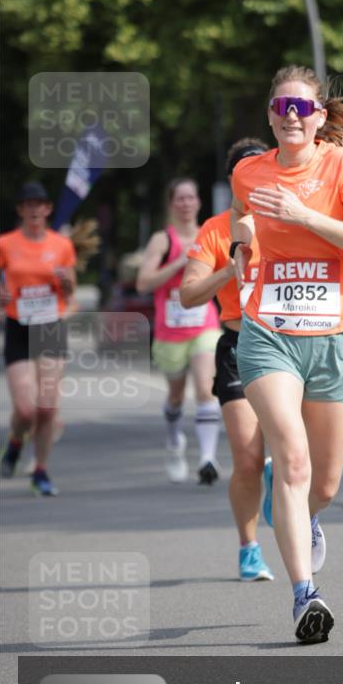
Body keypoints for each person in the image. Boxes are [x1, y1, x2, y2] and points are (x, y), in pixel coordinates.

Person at [230, 66, 343, 643]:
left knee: (322, 485)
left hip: (336, 336)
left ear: (319, 116)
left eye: (303, 108)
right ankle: (306, 598)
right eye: (282, 106)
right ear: (270, 114)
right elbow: (246, 216)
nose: (291, 116)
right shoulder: (248, 171)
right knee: (293, 464)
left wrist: (304, 218)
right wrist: (240, 242)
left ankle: (304, 511)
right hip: (269, 334)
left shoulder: (341, 166)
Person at [180, 138, 275, 583]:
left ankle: (286, 489)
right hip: (238, 347)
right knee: (248, 458)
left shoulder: (288, 218)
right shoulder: (216, 230)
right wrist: (228, 268)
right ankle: (249, 548)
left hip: (291, 346)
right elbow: (188, 294)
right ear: (235, 179)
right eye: (244, 171)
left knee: (296, 456)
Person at [136, 179, 221, 485]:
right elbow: (143, 283)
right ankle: (174, 443)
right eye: (180, 199)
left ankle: (208, 459)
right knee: (174, 396)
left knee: (205, 389)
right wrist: (178, 264)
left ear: (199, 202)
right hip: (169, 331)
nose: (186, 204)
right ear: (172, 204)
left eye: (191, 198)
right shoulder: (163, 240)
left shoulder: (209, 234)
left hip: (204, 324)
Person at [0, 182, 77, 496]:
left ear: (47, 209)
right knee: (26, 409)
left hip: (50, 326)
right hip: (19, 326)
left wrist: (65, 282)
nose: (34, 209)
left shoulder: (61, 245)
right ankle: (16, 442)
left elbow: (70, 289)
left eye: (39, 204)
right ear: (20, 210)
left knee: (46, 409)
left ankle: (40, 471)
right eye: (27, 204)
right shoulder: (5, 244)